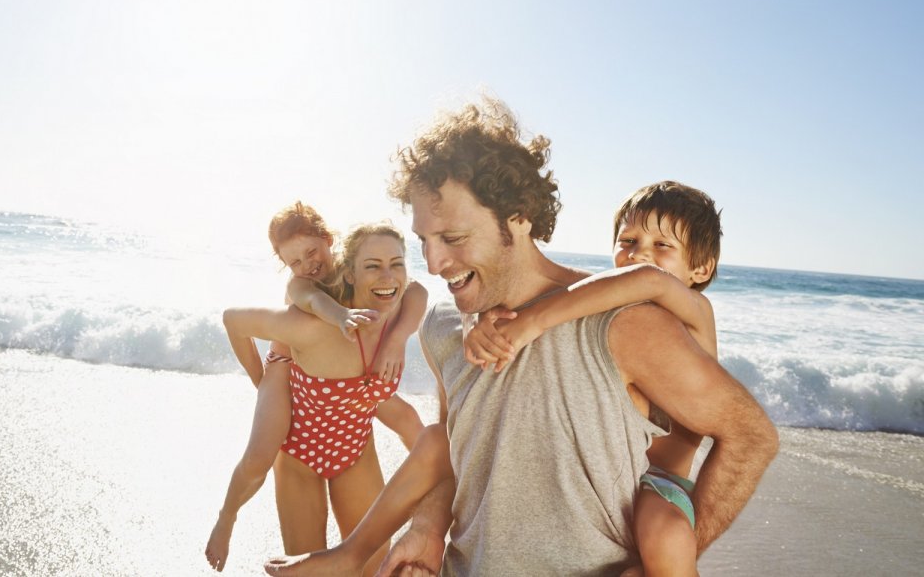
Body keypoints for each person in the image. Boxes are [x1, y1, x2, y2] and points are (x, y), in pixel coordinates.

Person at [267, 96, 778, 576]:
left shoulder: (627, 322)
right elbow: (451, 448)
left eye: (454, 237)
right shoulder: (445, 327)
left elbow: (750, 436)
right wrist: (426, 527)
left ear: (518, 216)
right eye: (425, 238)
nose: (434, 261)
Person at [463, 180, 724, 575]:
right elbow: (535, 290)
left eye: (662, 247)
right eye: (629, 241)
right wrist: (477, 320)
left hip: (659, 484)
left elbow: (648, 280)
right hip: (604, 484)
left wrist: (531, 323)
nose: (639, 256)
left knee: (664, 537)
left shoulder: (694, 309)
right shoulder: (612, 308)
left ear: (700, 268)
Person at [205, 221, 427, 575]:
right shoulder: (307, 321)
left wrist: (399, 337)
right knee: (258, 458)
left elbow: (418, 292)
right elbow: (235, 319)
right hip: (299, 448)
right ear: (353, 272)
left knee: (373, 570)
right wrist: (261, 380)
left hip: (353, 449)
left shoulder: (395, 302)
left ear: (330, 245)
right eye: (373, 266)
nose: (387, 276)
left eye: (396, 264)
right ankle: (226, 516)